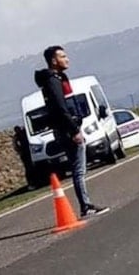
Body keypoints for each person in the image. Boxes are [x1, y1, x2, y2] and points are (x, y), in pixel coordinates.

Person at [34, 45, 109, 218]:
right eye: (62, 56)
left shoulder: (56, 78)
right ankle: (86, 205)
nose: (67, 59)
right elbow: (61, 108)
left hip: (65, 128)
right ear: (54, 61)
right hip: (67, 130)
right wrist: (74, 130)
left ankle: (85, 204)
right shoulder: (53, 81)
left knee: (78, 169)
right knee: (79, 169)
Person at [12, 125, 36, 190]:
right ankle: (31, 183)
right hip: (25, 154)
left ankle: (35, 182)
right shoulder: (17, 137)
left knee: (32, 167)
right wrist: (20, 151)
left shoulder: (24, 133)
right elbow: (15, 146)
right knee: (29, 168)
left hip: (30, 151)